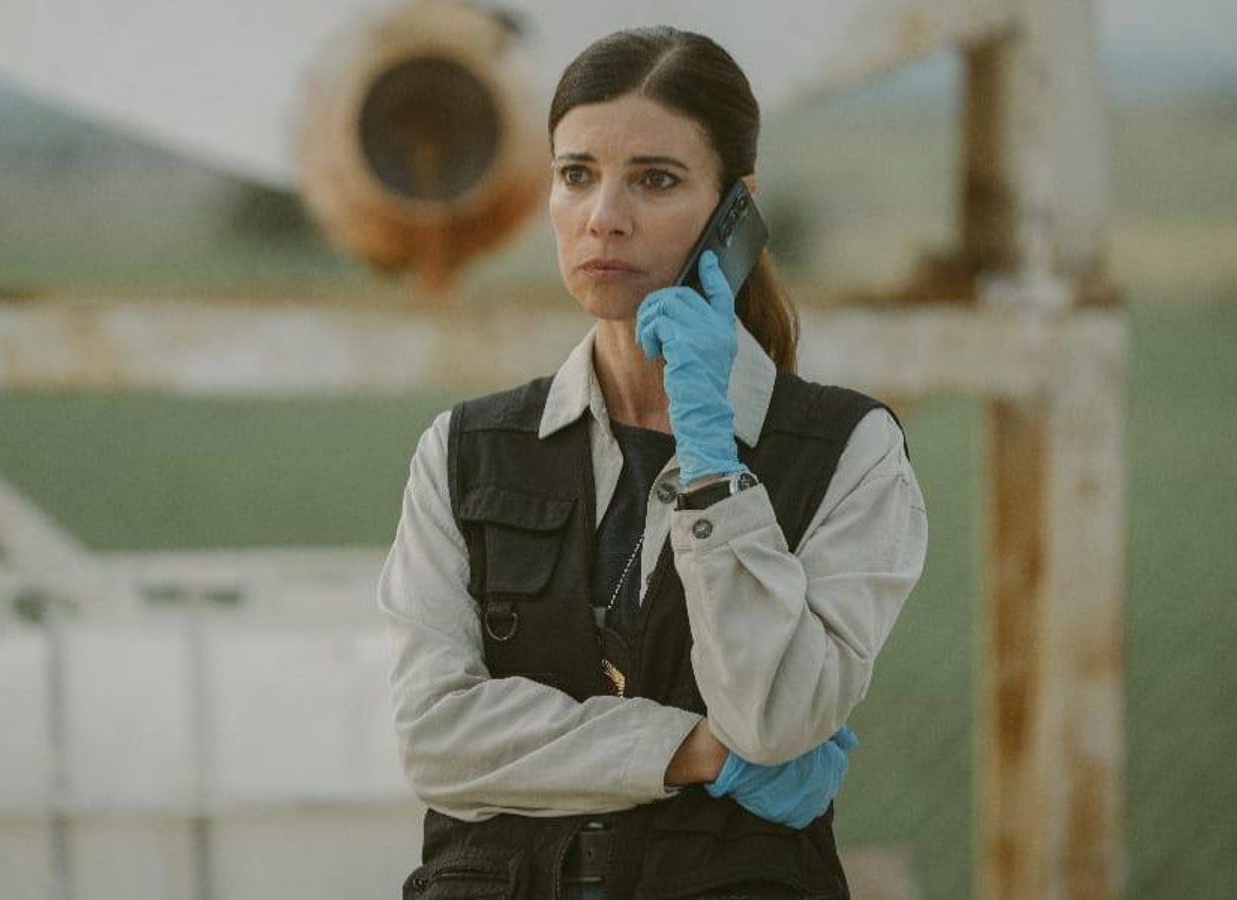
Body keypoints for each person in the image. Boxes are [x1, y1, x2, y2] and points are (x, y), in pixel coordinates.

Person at [378, 25, 927, 900]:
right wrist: (693, 749)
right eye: (577, 175)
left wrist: (714, 467)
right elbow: (436, 735)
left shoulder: (850, 453)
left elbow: (774, 713)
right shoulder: (462, 450)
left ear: (735, 211)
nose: (605, 217)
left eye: (656, 179)